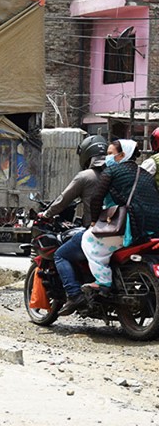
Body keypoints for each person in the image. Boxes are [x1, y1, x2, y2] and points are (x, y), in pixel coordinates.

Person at [84, 139, 159, 297]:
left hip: (131, 227)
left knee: (88, 241)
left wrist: (93, 221)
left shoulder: (111, 171)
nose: (108, 157)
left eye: (110, 154)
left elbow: (96, 198)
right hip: (153, 229)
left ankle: (103, 281)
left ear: (122, 155)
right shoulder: (145, 174)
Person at [43, 135, 108, 315]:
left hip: (96, 232)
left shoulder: (85, 176)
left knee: (60, 255)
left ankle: (74, 295)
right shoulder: (116, 173)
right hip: (121, 230)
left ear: (86, 155)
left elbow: (63, 200)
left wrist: (46, 213)